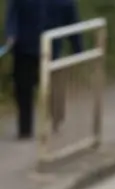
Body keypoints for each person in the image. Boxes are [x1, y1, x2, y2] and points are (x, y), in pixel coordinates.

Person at [4, 0, 83, 140]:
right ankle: (25, 129)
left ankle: (55, 120)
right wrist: (11, 34)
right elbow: (12, 13)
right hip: (25, 48)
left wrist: (78, 49)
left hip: (51, 49)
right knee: (23, 89)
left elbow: (72, 20)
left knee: (52, 88)